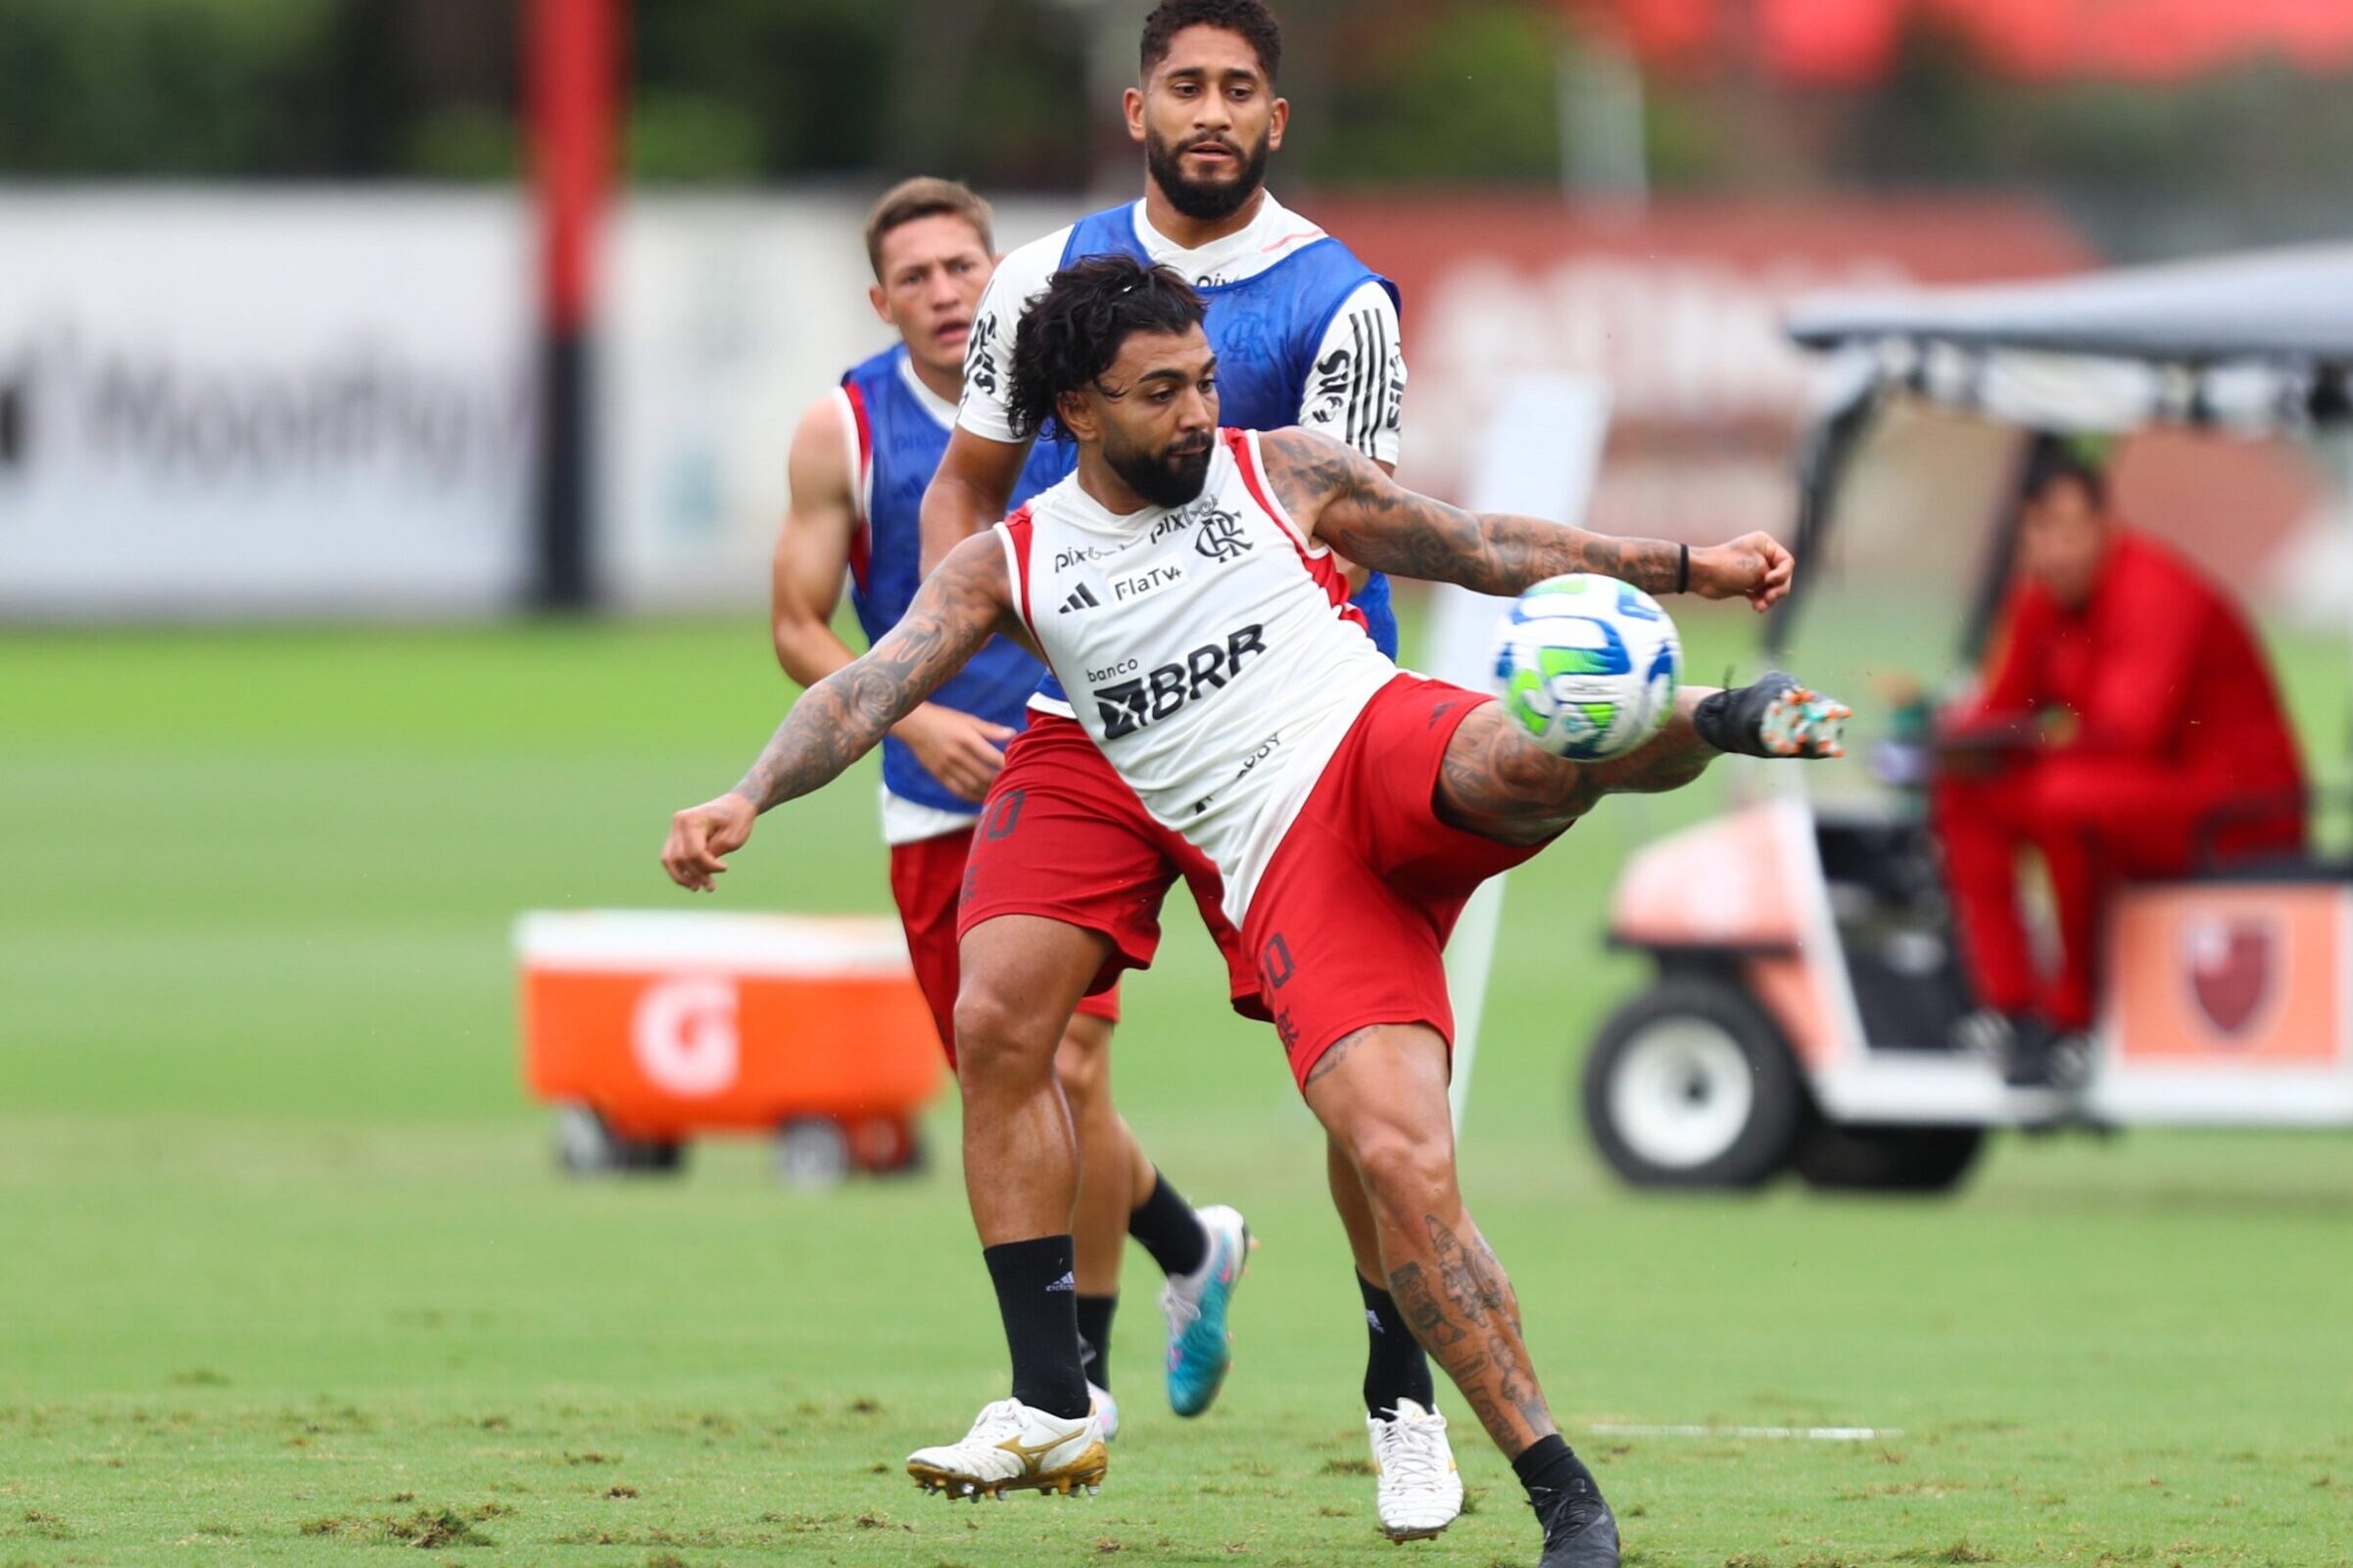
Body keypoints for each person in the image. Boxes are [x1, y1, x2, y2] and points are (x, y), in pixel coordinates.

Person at [659, 257, 1850, 1567]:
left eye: (1204, 381)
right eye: (1159, 392)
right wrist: (745, 796)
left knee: (1520, 751)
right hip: (1283, 862)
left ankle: (1720, 716)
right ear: (1075, 409)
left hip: (1373, 736)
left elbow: (1488, 546)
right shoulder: (1016, 563)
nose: (1193, 413)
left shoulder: (1276, 469)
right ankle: (1568, 1498)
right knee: (1401, 1160)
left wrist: (1685, 564)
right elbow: (861, 693)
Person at [919, 0, 1459, 1537]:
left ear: (1275, 119)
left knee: (1366, 1099)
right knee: (1014, 1028)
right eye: (1184, 86)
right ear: (1135, 105)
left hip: (1286, 735)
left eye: (1239, 89)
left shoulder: (1340, 301)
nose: (1210, 110)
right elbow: (966, 498)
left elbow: (1346, 540)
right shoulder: (1041, 282)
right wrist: (980, 649)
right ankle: (1052, 1393)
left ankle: (1403, 1403)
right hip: (1091, 728)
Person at [766, 175, 1235, 1435]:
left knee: (1070, 1056)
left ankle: (1075, 1376)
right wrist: (915, 719)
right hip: (929, 798)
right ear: (881, 298)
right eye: (913, 275)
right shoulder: (844, 427)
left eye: (960, 266)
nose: (941, 292)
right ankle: (1190, 1243)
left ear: (996, 273)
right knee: (1010, 1080)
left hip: (1084, 781)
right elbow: (797, 625)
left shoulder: (1075, 402)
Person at [1933, 436, 2306, 1087]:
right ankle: (2013, 1007)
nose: (2056, 550)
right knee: (1965, 789)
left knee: (2067, 798)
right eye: (2039, 533)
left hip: (2240, 805)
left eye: (2069, 529)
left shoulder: (2156, 589)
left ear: (2107, 524)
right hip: (2138, 791)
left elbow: (2129, 730)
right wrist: (1945, 737)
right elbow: (2001, 711)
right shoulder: (2040, 598)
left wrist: (2015, 738)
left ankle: (2075, 1016)